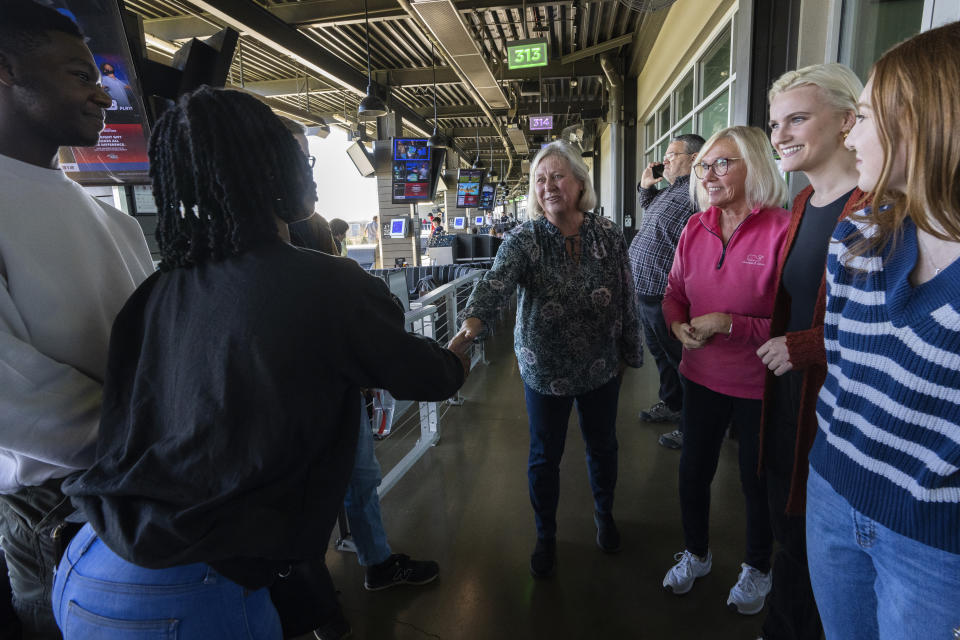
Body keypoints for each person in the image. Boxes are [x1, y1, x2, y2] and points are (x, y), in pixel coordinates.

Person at [51, 86, 472, 638]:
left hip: (91, 557)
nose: (310, 171)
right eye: (297, 155)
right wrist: (462, 344)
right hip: (195, 588)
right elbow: (428, 375)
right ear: (266, 168)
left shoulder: (156, 291)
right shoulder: (326, 284)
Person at [0, 3, 154, 636]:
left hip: (141, 476)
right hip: (56, 509)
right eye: (77, 73)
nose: (101, 91)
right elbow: (13, 394)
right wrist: (162, 432)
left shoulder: (111, 218)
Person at [805, 22, 960, 639]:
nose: (851, 132)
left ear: (924, 125)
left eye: (864, 115)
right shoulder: (857, 238)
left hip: (936, 545)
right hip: (832, 494)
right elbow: (841, 373)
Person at [459, 141, 643, 579]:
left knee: (603, 445)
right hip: (544, 368)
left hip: (600, 364)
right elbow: (496, 283)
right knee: (545, 455)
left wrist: (629, 351)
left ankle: (605, 515)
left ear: (580, 183)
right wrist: (469, 329)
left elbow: (626, 294)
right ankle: (546, 535)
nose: (548, 186)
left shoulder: (608, 234)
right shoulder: (525, 239)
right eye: (540, 180)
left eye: (557, 176)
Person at [660, 126, 789, 615]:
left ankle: (758, 566)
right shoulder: (695, 227)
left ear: (753, 165)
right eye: (702, 166)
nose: (708, 174)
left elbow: (789, 323)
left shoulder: (781, 229)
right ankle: (696, 553)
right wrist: (677, 326)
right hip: (700, 377)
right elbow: (675, 294)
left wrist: (729, 324)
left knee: (756, 483)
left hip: (759, 384)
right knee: (693, 472)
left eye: (721, 164)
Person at [756, 63, 864, 640]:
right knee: (786, 533)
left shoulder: (881, 205)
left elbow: (887, 323)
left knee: (823, 555)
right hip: (789, 399)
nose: (779, 136)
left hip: (836, 409)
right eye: (775, 125)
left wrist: (804, 345)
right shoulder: (803, 202)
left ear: (848, 121)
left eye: (797, 119)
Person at [629, 133, 705, 449]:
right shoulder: (672, 191)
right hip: (643, 291)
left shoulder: (699, 192)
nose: (666, 160)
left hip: (664, 294)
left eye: (674, 154)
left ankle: (693, 426)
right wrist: (646, 185)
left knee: (681, 361)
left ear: (695, 159)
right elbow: (649, 205)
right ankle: (672, 404)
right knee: (661, 356)